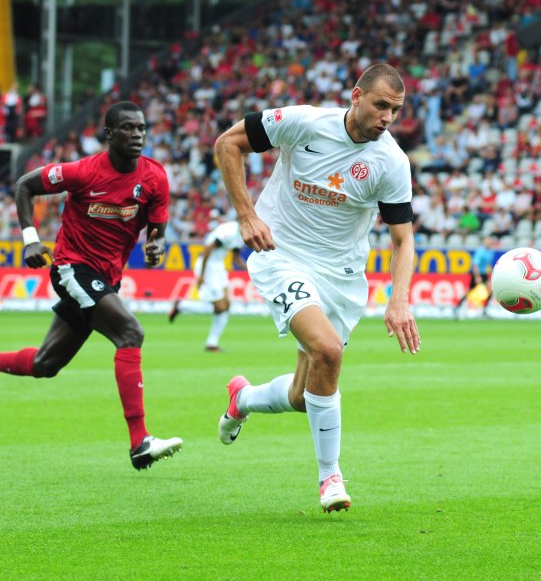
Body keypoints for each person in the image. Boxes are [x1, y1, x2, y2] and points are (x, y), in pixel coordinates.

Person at [214, 63, 421, 513]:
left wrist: (399, 299)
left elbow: (403, 239)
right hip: (281, 255)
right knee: (329, 351)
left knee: (304, 395)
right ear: (356, 95)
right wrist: (247, 215)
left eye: (396, 110)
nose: (387, 117)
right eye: (381, 105)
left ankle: (242, 399)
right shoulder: (304, 122)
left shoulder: (391, 163)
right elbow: (227, 144)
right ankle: (330, 477)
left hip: (342, 278)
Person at [0, 101, 183, 470]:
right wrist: (31, 239)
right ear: (109, 134)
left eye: (142, 128)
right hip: (72, 269)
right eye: (128, 128)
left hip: (107, 278)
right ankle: (140, 443)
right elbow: (24, 185)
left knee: (45, 363)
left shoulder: (154, 177)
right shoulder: (83, 172)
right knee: (130, 332)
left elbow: (157, 227)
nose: (137, 135)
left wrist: (156, 244)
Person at [168, 219, 246, 352]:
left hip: (219, 266)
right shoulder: (229, 230)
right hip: (208, 265)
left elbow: (236, 258)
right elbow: (207, 249)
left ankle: (212, 343)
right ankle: (182, 305)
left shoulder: (242, 232)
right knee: (220, 306)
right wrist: (202, 275)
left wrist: (251, 270)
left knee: (226, 305)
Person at [454, 236, 496, 317]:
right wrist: (477, 276)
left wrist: (491, 273)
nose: (489, 242)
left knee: (490, 290)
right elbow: (475, 265)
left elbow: (488, 265)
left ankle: (484, 309)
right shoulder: (480, 251)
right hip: (477, 273)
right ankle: (457, 307)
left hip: (484, 274)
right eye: (488, 241)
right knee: (469, 291)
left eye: (490, 241)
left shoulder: (491, 252)